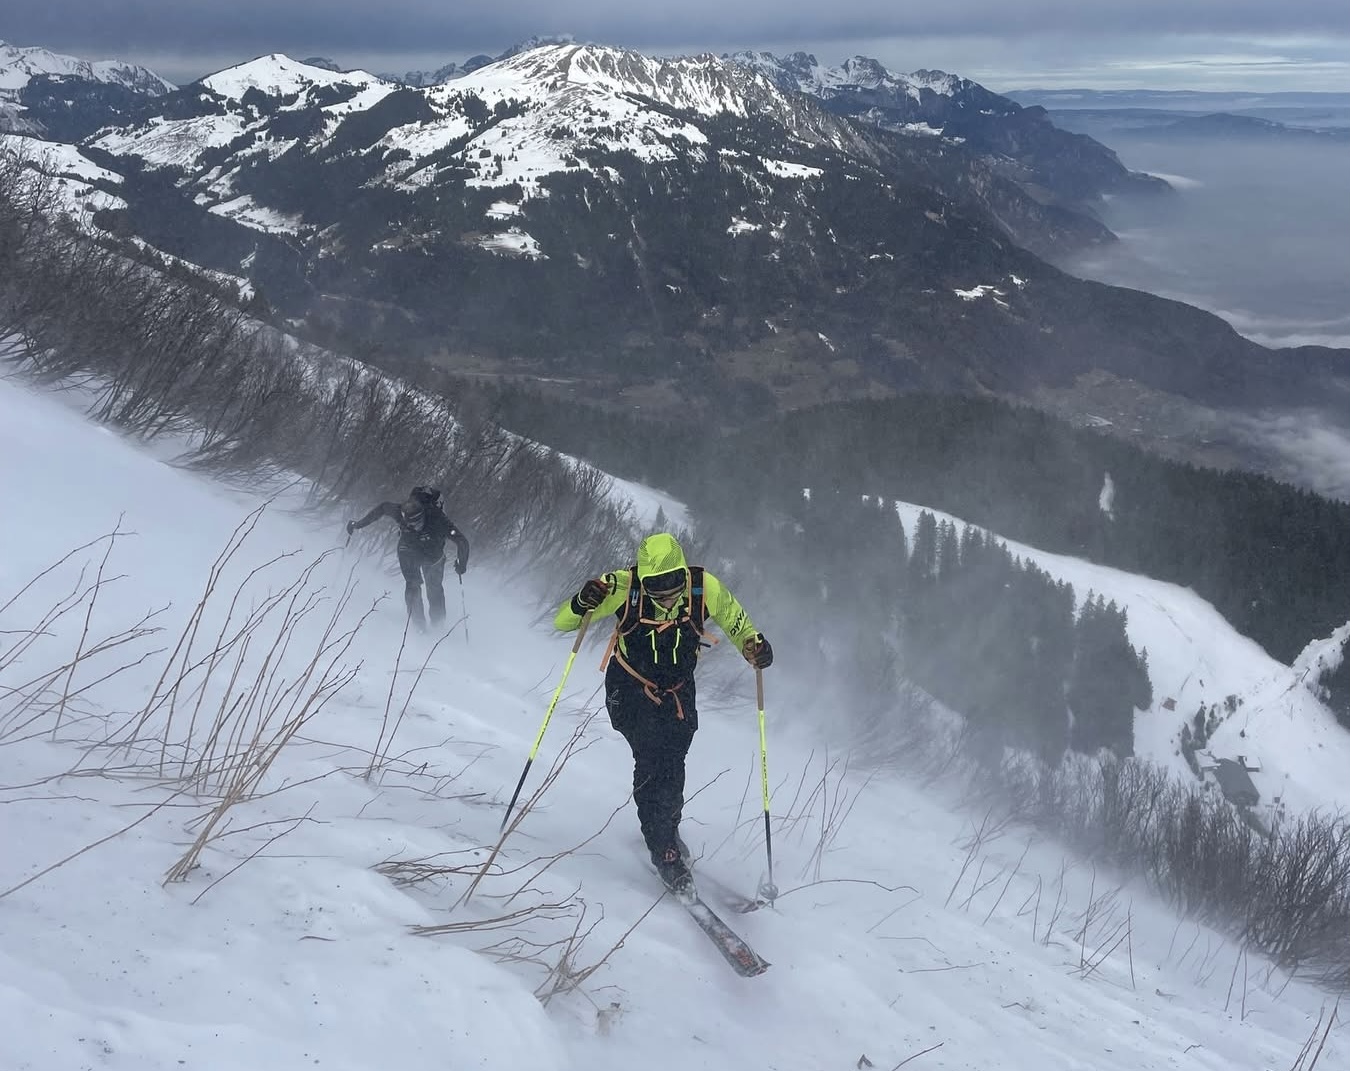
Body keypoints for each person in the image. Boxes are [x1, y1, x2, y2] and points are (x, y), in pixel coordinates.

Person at [554, 532, 773, 894]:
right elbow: (563, 622)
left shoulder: (704, 588)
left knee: (674, 760)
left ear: (683, 573)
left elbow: (741, 627)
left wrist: (756, 650)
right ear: (641, 576)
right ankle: (663, 847)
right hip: (629, 688)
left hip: (677, 692)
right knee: (654, 758)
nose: (666, 591)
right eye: (655, 584)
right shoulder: (621, 588)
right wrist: (582, 601)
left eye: (672, 581)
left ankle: (666, 827)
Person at [347, 486, 469, 630]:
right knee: (412, 585)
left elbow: (462, 541)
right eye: (408, 523)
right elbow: (382, 508)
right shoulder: (400, 511)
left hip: (433, 556)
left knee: (434, 589)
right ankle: (419, 627)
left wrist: (462, 563)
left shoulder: (437, 518)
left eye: (416, 523)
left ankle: (438, 626)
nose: (412, 526)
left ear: (423, 515)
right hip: (408, 551)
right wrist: (358, 524)